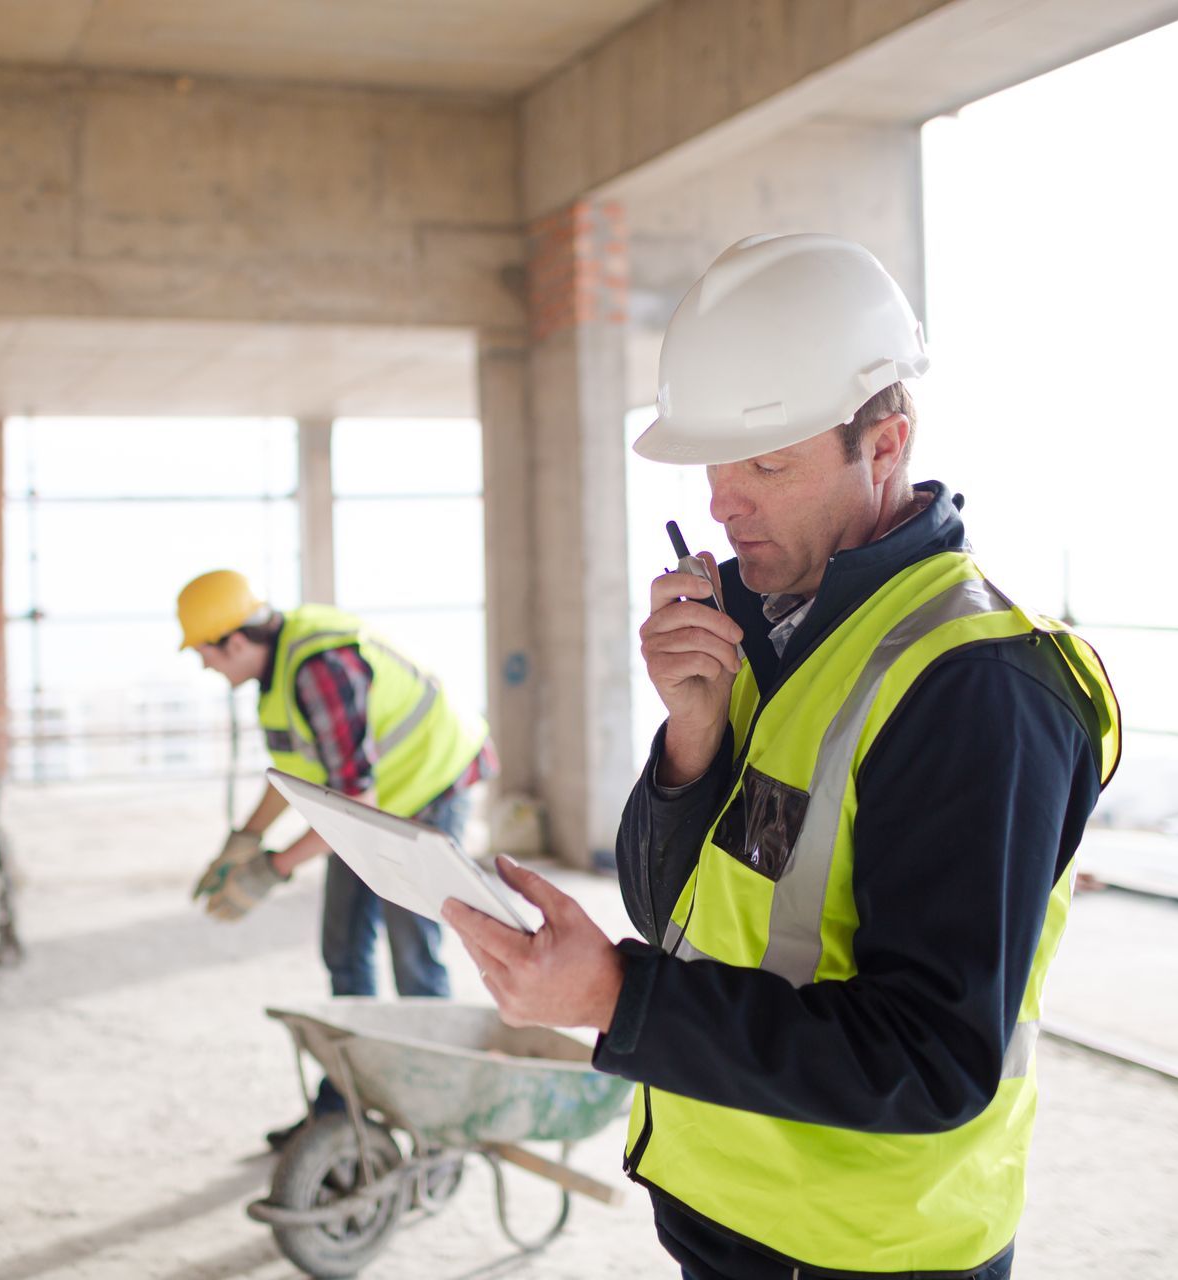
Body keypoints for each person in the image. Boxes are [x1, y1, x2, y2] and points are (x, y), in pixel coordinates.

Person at [444, 233, 1120, 1279]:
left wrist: (614, 999)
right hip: (729, 1205)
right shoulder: (771, 630)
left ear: (884, 443)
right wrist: (691, 737)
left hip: (863, 1247)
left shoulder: (976, 685)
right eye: (714, 463)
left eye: (766, 463)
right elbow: (675, 907)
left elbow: (931, 1058)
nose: (724, 502)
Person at [178, 569, 497, 1145]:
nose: (205, 666)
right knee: (344, 950)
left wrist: (271, 869)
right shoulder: (274, 677)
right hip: (375, 806)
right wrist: (244, 839)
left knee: (413, 958)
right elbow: (300, 776)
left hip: (428, 789)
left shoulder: (320, 669)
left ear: (234, 642)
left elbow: (353, 801)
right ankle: (343, 1108)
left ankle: (435, 1117)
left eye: (205, 654)